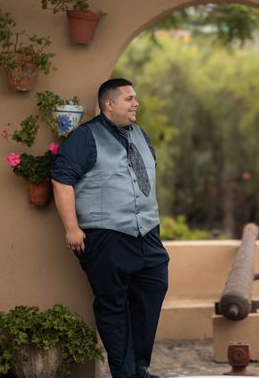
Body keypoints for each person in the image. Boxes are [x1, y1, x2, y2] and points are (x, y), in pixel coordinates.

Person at [51, 78, 168, 378]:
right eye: (129, 99)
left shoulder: (140, 134)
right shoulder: (85, 138)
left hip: (147, 234)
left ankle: (139, 367)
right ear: (109, 104)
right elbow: (62, 179)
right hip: (106, 235)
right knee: (112, 305)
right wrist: (71, 228)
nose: (136, 103)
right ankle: (125, 374)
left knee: (153, 289)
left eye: (135, 98)